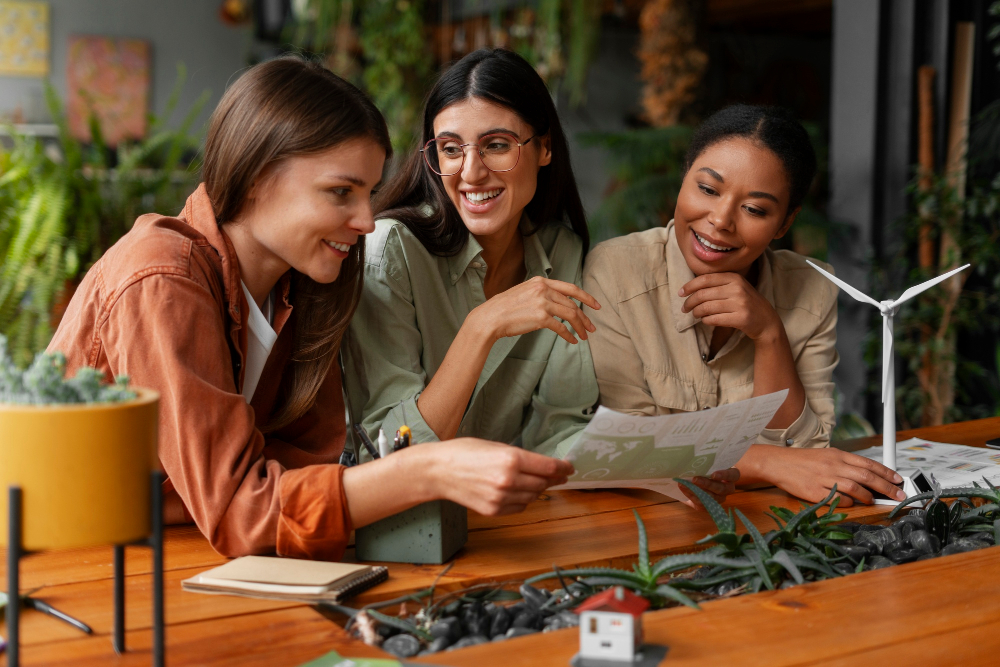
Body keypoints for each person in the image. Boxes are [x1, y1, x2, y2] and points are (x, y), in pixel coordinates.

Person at [47, 57, 573, 560]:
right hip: (66, 563)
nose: (368, 220)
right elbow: (241, 511)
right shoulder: (161, 278)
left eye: (368, 192)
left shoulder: (305, 285)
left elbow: (315, 463)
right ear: (257, 178)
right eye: (341, 192)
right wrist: (429, 469)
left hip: (179, 555)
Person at [342, 48, 738, 508]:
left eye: (496, 145)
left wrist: (656, 470)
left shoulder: (561, 251)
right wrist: (482, 327)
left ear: (544, 147)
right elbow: (389, 451)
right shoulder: (390, 251)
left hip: (512, 519)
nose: (470, 172)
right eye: (451, 149)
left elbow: (558, 428)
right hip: (402, 525)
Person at [583, 104, 906, 507]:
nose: (720, 220)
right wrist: (770, 464)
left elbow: (806, 447)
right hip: (637, 521)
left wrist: (769, 333)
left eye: (754, 209)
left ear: (784, 224)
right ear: (684, 178)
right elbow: (624, 449)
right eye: (707, 189)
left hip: (770, 522)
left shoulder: (810, 289)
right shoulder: (615, 271)